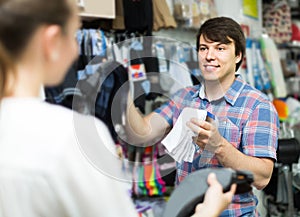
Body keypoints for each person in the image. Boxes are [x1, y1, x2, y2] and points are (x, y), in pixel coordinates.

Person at [0, 0, 236, 216]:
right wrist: (207, 211)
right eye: (73, 35)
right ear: (51, 41)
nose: (76, 50)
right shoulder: (71, 135)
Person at [126, 16, 279, 216]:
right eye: (203, 48)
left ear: (238, 56)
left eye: (220, 48)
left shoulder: (257, 105)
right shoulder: (183, 98)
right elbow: (141, 134)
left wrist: (219, 146)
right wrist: (124, 93)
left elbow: (262, 177)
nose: (209, 55)